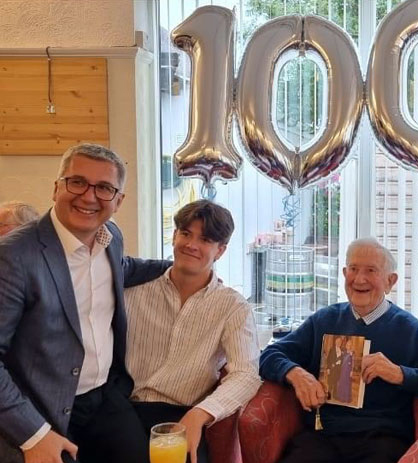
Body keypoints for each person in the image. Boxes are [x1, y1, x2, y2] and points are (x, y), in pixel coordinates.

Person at [0, 143, 170, 463]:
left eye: (104, 188)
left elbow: (124, 269)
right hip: (39, 412)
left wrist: (178, 268)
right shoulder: (13, 257)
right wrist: (33, 434)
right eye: (77, 182)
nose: (89, 196)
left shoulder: (111, 237)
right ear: (56, 188)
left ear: (119, 201)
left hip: (104, 396)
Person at [260, 237, 418, 463]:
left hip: (381, 439)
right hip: (323, 435)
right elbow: (269, 355)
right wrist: (295, 373)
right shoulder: (324, 320)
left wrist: (400, 374)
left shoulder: (407, 328)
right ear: (344, 274)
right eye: (353, 269)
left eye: (371, 270)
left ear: (390, 281)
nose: (359, 279)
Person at [125, 200, 261, 463]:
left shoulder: (232, 306)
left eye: (206, 239)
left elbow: (246, 375)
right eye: (186, 233)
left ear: (220, 250)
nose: (192, 245)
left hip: (182, 414)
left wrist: (201, 413)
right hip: (122, 409)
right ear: (175, 235)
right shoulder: (133, 291)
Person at [336, 338, 354, 404]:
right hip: (343, 370)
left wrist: (352, 371)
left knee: (347, 384)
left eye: (349, 345)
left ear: (351, 346)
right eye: (347, 345)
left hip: (348, 371)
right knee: (341, 383)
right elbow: (340, 360)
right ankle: (340, 397)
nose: (348, 346)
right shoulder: (344, 352)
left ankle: (346, 398)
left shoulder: (352, 353)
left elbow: (353, 363)